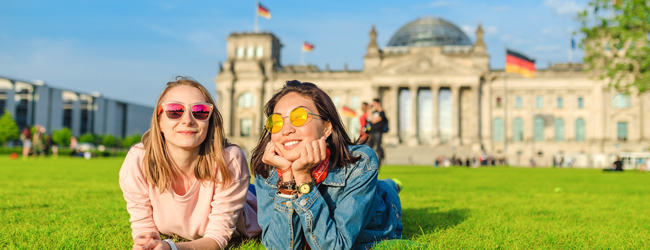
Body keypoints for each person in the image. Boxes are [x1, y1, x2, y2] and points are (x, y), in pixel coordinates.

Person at [251, 80, 403, 250]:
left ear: (326, 128)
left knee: (385, 190)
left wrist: (302, 178)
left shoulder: (360, 163)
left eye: (299, 117)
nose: (285, 130)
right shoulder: (267, 170)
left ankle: (391, 186)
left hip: (383, 209)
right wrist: (287, 181)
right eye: (276, 122)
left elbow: (332, 247)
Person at [119, 77, 260, 250]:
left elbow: (217, 237)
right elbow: (144, 230)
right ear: (159, 122)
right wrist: (147, 243)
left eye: (200, 111)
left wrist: (171, 247)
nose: (187, 120)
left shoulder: (229, 160)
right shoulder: (139, 159)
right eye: (174, 110)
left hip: (250, 198)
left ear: (209, 121)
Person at [366, 98, 387, 166]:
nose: (373, 106)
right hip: (371, 133)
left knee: (378, 148)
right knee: (368, 147)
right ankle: (369, 164)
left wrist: (370, 114)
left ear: (378, 104)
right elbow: (369, 119)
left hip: (378, 133)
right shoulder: (373, 112)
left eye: (374, 104)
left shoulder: (382, 113)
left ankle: (378, 164)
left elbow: (374, 120)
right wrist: (370, 111)